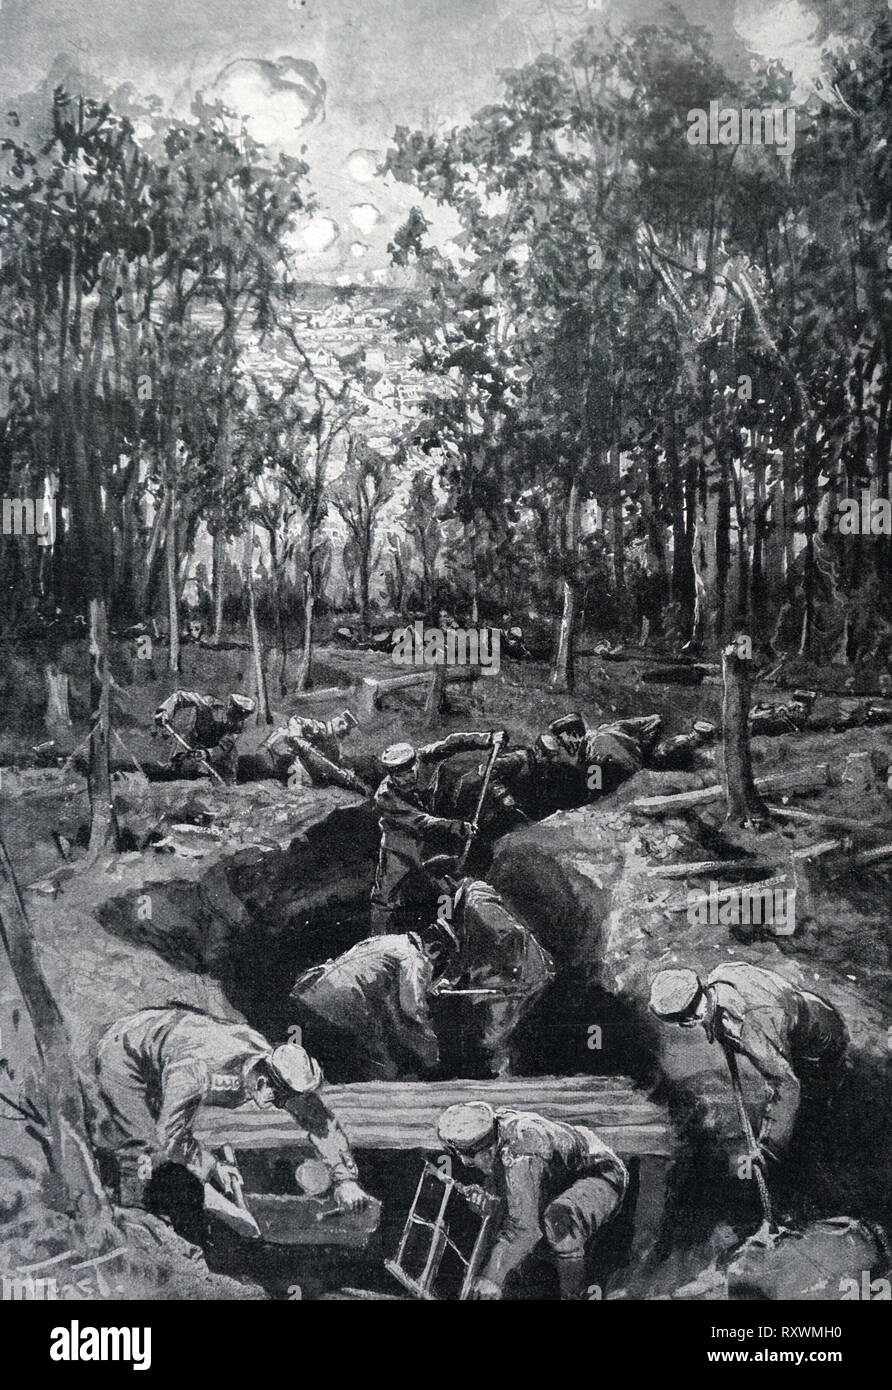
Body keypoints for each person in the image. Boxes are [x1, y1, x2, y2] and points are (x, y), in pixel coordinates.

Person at [94, 1005, 371, 1213]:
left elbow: (320, 1122)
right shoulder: (200, 1070)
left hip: (164, 1054)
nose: (284, 1106)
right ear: (264, 1083)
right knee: (145, 1143)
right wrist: (214, 1166)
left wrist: (344, 1179)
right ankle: (138, 1214)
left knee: (143, 1129)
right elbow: (171, 1136)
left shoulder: (276, 1070)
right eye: (281, 1098)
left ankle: (106, 1158)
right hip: (126, 1054)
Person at [648, 963, 848, 1158]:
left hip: (820, 1041)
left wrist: (769, 1148)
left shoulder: (749, 1027)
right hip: (809, 1012)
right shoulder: (721, 975)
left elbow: (786, 1084)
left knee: (813, 1112)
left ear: (688, 1020)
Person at [437, 1101, 628, 1300]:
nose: (464, 1162)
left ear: (486, 1149)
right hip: (557, 1179)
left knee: (558, 1221)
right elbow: (514, 1192)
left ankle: (574, 1296)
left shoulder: (521, 1153)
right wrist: (490, 1199)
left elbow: (526, 1229)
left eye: (467, 1155)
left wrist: (492, 1276)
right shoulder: (498, 1135)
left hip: (601, 1173)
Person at [369, 729, 507, 933]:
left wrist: (486, 739)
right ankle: (377, 939)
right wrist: (459, 827)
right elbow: (421, 821)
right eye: (400, 776)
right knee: (385, 897)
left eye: (409, 772)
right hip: (398, 845)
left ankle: (445, 931)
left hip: (429, 842)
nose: (406, 779)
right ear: (391, 775)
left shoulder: (426, 758)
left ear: (415, 763)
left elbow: (453, 742)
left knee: (445, 886)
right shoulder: (385, 797)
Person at [289, 922, 457, 1081]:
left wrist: (430, 987)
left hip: (308, 993)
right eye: (442, 960)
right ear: (435, 948)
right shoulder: (415, 959)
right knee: (382, 1069)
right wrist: (432, 1056)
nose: (436, 965)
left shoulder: (389, 940)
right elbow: (412, 1010)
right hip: (338, 1006)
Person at [433, 877, 554, 1076]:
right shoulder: (470, 906)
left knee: (491, 1036)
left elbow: (511, 934)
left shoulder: (477, 905)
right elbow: (468, 947)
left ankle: (498, 1079)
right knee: (493, 1035)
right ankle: (499, 1076)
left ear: (447, 882)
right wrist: (448, 979)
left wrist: (513, 977)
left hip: (518, 977)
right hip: (516, 975)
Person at [549, 712, 715, 798]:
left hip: (638, 781)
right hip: (646, 765)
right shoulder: (612, 728)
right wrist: (644, 750)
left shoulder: (593, 751)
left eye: (560, 738)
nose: (560, 743)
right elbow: (655, 720)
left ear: (572, 734)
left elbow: (594, 790)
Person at [259, 709, 371, 794]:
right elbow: (295, 719)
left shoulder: (333, 745)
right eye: (346, 730)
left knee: (309, 783)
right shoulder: (317, 727)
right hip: (275, 751)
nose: (346, 734)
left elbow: (332, 763)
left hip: (295, 761)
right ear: (340, 722)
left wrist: (346, 773)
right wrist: (298, 738)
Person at [154, 690, 255, 784]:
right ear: (230, 705)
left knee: (225, 781)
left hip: (217, 752)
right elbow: (179, 696)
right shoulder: (207, 704)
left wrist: (207, 753)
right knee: (180, 771)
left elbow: (226, 745)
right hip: (195, 740)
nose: (239, 718)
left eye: (244, 715)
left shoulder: (238, 725)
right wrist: (164, 711)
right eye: (237, 712)